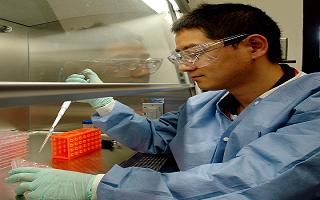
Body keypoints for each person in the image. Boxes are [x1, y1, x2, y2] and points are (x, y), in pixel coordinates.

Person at [6, 3, 320, 200]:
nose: (184, 66)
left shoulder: (312, 104)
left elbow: (254, 181)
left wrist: (96, 188)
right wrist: (103, 103)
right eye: (179, 56)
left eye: (194, 53)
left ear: (254, 46)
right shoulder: (204, 104)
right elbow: (156, 137)